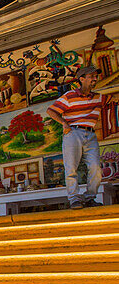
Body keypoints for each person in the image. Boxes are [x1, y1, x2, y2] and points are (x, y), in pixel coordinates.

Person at [46, 64, 104, 209]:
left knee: (95, 167)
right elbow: (51, 111)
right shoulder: (69, 96)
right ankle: (74, 198)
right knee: (71, 167)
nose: (94, 79)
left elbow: (114, 98)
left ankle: (90, 197)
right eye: (91, 77)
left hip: (90, 133)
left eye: (95, 77)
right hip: (73, 132)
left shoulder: (98, 97)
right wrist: (64, 124)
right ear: (82, 79)